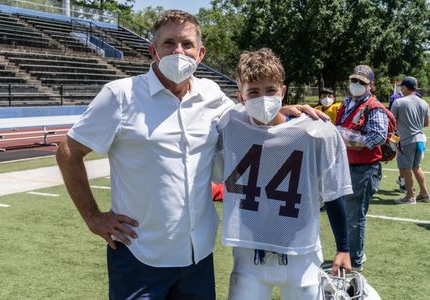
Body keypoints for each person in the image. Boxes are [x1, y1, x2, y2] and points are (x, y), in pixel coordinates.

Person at [56, 10, 327, 300]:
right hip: (140, 254)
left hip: (197, 256)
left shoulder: (212, 96)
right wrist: (94, 217)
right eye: (168, 43)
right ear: (153, 51)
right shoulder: (120, 95)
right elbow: (68, 152)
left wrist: (280, 111)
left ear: (200, 53)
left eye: (186, 44)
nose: (178, 51)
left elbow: (250, 119)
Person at [215, 48, 352, 300]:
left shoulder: (315, 131)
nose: (263, 98)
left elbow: (333, 195)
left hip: (301, 252)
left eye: (270, 91)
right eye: (254, 92)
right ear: (241, 97)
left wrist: (343, 247)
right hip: (249, 253)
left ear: (283, 91)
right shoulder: (228, 124)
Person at [335, 65, 388, 271]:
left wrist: (346, 138)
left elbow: (378, 137)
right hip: (347, 165)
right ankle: (353, 253)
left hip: (364, 169)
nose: (356, 85)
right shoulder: (348, 102)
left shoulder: (373, 107)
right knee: (347, 213)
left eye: (362, 82)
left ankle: (355, 261)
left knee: (355, 217)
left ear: (370, 85)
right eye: (353, 80)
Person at [390, 76, 429, 204]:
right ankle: (424, 194)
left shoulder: (399, 102)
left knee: (406, 168)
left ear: (406, 87)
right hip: (420, 139)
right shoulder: (423, 102)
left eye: (402, 86)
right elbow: (426, 123)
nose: (401, 88)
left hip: (406, 140)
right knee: (416, 167)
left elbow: (391, 122)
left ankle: (410, 196)